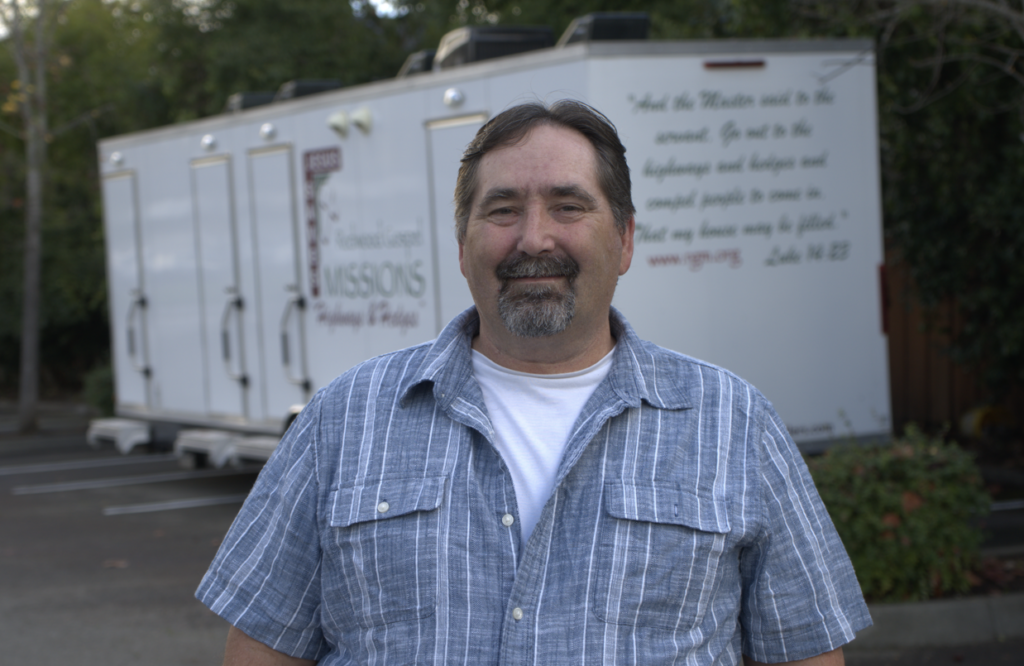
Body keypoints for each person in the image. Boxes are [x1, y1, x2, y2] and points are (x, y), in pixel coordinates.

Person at [197, 100, 871, 666]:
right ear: (462, 245)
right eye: (502, 210)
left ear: (625, 240)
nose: (533, 238)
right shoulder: (345, 418)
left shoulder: (734, 423)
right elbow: (262, 646)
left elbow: (806, 651)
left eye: (568, 207)